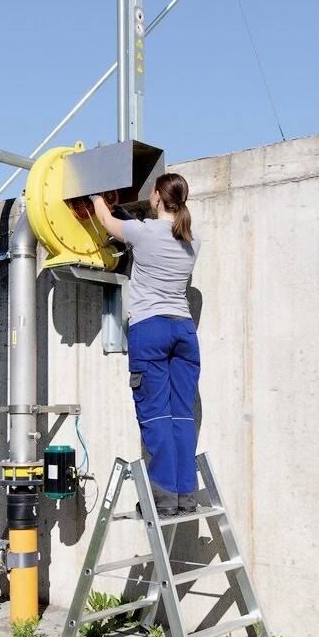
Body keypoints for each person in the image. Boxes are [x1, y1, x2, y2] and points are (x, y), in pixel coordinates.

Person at [91, 174, 201, 518]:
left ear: (155, 196)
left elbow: (107, 222)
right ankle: (185, 498)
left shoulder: (144, 232)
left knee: (154, 415)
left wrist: (95, 196)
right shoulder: (193, 241)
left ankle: (163, 501)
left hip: (150, 330)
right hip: (183, 331)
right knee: (181, 416)